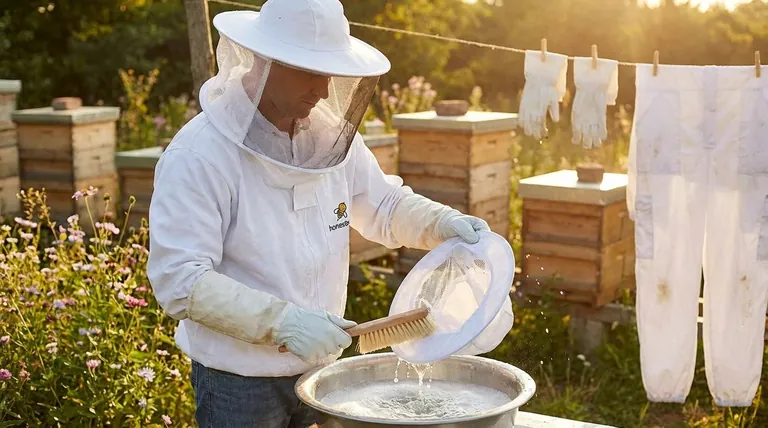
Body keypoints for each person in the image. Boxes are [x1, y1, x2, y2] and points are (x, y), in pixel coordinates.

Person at [146, 0, 490, 426]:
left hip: (323, 371)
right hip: (240, 383)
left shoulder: (328, 136)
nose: (324, 90)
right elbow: (180, 278)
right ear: (266, 62)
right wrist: (282, 322)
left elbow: (383, 204)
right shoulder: (199, 155)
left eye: (331, 74)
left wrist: (440, 221)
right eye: (311, 72)